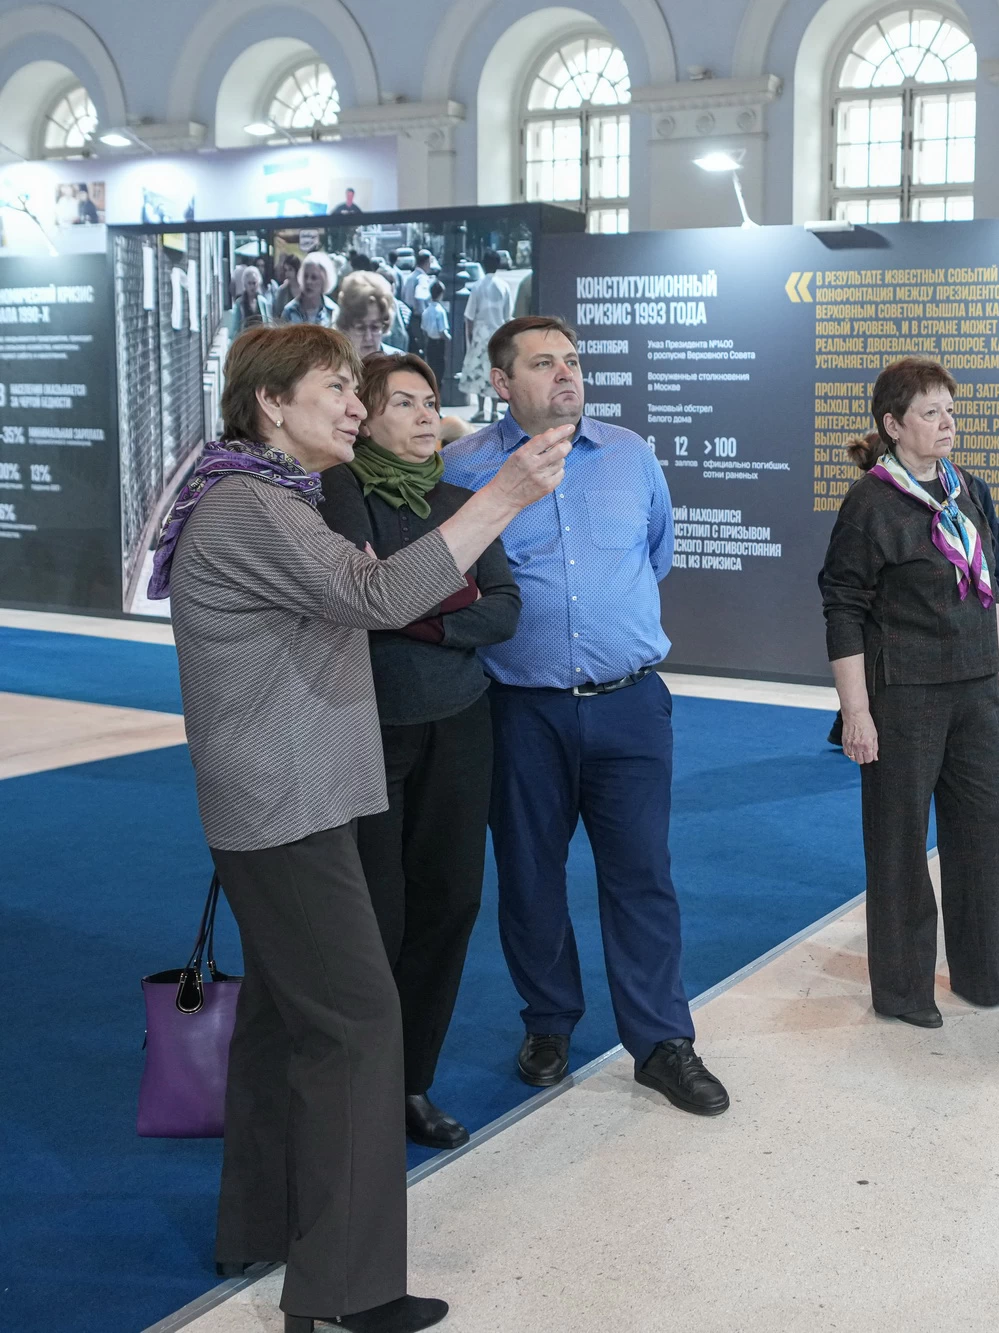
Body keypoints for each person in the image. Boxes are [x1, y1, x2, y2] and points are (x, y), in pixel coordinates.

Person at [152, 323, 569, 1332]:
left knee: (287, 1020)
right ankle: (345, 1290)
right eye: (336, 389)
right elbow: (376, 594)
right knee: (355, 1025)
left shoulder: (264, 495)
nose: (355, 405)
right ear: (270, 404)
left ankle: (262, 1225)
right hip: (285, 805)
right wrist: (505, 494)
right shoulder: (251, 503)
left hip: (291, 797)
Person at [441, 315, 731, 1116]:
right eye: (543, 363)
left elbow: (655, 553)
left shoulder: (631, 455)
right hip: (517, 711)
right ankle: (548, 1021)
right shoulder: (463, 468)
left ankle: (663, 1042)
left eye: (571, 360)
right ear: (502, 382)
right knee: (530, 877)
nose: (565, 373)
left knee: (643, 877)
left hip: (629, 704)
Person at [319, 352, 520, 1153]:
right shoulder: (338, 492)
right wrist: (435, 598)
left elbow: (502, 608)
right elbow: (359, 603)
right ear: (365, 416)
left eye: (431, 401)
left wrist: (417, 612)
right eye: (403, 402)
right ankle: (357, 1084)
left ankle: (410, 1079)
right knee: (376, 913)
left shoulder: (461, 501)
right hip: (368, 725)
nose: (426, 414)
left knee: (450, 901)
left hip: (461, 721)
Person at [818, 357, 999, 1029]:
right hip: (905, 695)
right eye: (930, 412)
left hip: (975, 687)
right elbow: (843, 609)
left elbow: (986, 580)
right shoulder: (870, 502)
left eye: (950, 409)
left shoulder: (963, 487)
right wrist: (856, 712)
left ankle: (988, 973)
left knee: (993, 824)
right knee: (898, 843)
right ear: (893, 425)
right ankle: (903, 990)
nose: (947, 422)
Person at [457, 251, 514, 421]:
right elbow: (508, 315)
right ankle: (495, 411)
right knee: (497, 371)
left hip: (480, 334)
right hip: (498, 333)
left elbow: (469, 316)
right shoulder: (504, 286)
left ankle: (481, 409)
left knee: (479, 373)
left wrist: (469, 337)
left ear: (483, 264)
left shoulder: (477, 286)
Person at [335, 273, 404, 359]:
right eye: (360, 328)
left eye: (375, 327)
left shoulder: (399, 363)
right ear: (346, 328)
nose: (368, 337)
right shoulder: (332, 364)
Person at [281, 252, 338, 326]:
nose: (308, 282)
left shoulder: (333, 312)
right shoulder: (289, 311)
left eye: (314, 277)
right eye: (305, 276)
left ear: (324, 280)